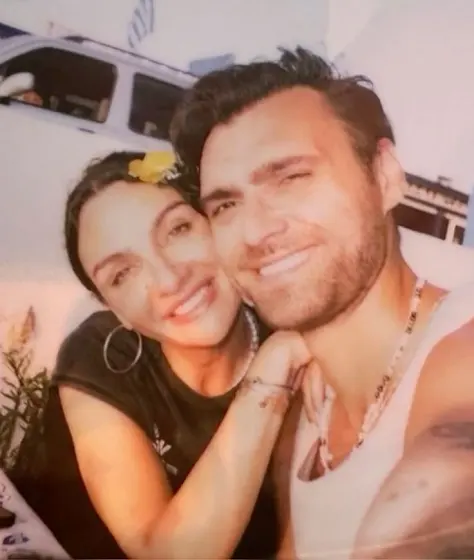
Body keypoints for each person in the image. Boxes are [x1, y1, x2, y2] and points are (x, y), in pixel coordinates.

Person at [170, 47, 474, 558]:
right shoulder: (307, 414)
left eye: (290, 178)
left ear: (384, 176)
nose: (255, 232)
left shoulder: (462, 352)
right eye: (225, 205)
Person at [39, 150, 317, 559]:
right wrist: (268, 378)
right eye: (122, 273)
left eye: (178, 229)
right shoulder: (96, 355)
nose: (169, 279)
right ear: (116, 311)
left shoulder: (305, 343)